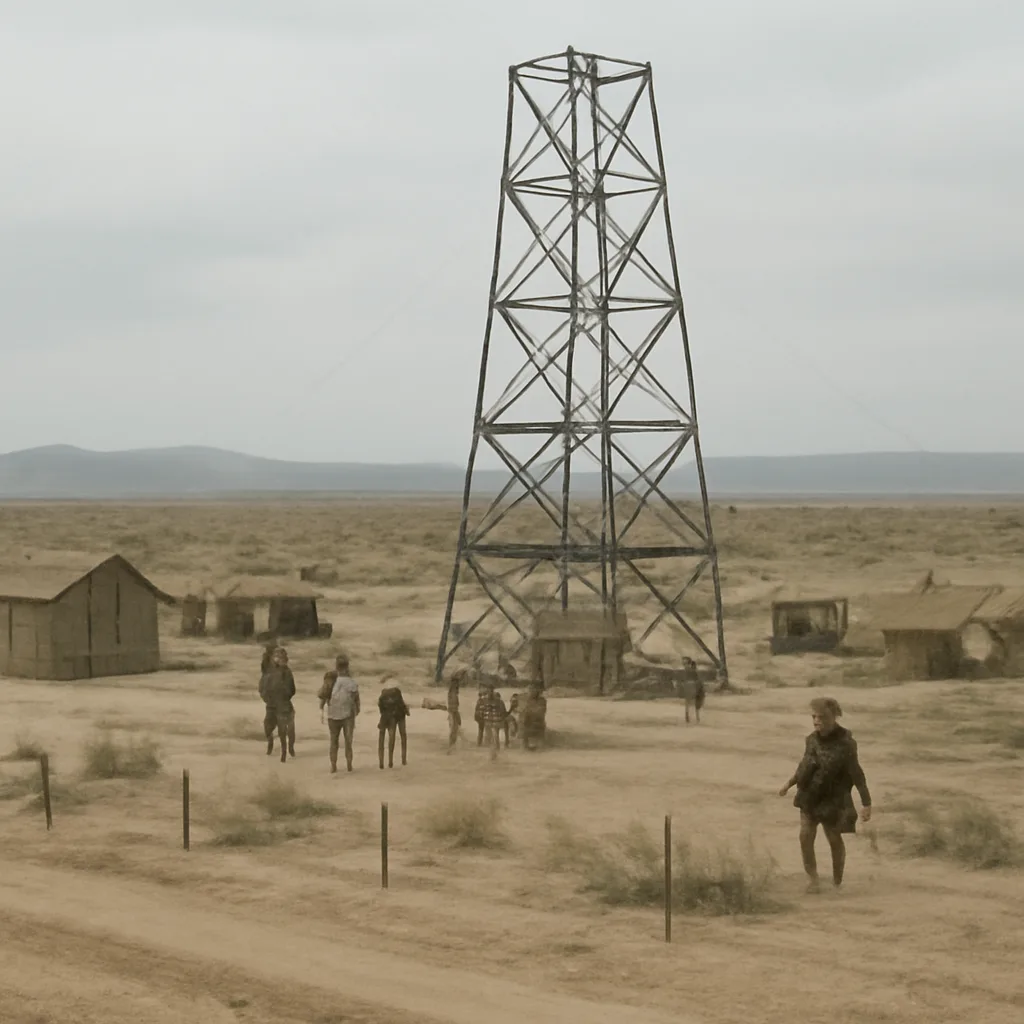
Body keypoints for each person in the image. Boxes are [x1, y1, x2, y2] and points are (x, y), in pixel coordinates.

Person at [779, 697, 872, 893]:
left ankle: (837, 881)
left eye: (821, 717)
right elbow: (804, 766)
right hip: (810, 796)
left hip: (833, 799)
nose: (816, 721)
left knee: (834, 838)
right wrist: (789, 784)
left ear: (834, 717)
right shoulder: (811, 740)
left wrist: (866, 802)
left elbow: (857, 773)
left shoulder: (846, 744)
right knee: (805, 836)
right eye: (814, 716)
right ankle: (813, 880)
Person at [318, 653, 360, 773]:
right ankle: (349, 766)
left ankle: (333, 766)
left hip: (332, 714)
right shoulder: (351, 682)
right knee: (348, 741)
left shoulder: (330, 679)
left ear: (336, 666)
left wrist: (321, 710)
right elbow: (356, 699)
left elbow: (323, 696)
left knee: (334, 741)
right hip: (348, 715)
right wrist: (356, 710)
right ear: (347, 667)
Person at [259, 646, 296, 763]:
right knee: (267, 726)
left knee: (286, 731)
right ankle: (270, 743)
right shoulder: (268, 671)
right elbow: (262, 686)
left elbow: (292, 689)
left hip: (284, 705)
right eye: (277, 657)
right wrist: (266, 698)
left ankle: (287, 751)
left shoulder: (287, 672)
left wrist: (284, 696)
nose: (279, 659)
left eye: (281, 657)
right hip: (271, 704)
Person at [377, 684, 410, 769]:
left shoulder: (383, 696)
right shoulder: (397, 693)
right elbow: (402, 705)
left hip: (388, 716)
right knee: (402, 736)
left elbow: (381, 708)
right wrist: (406, 711)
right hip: (399, 715)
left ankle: (387, 762)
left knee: (389, 738)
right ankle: (403, 759)